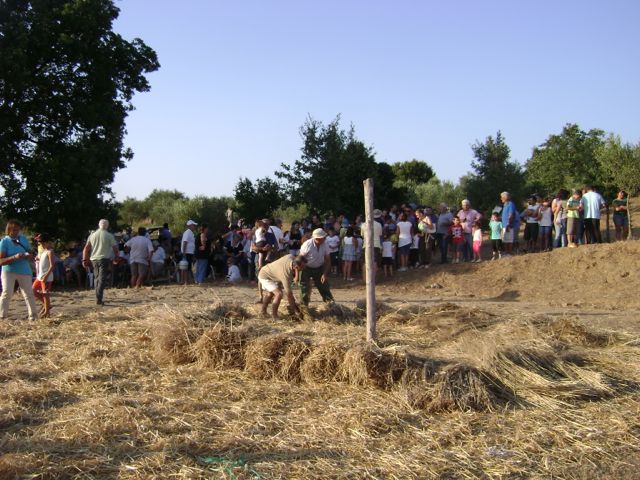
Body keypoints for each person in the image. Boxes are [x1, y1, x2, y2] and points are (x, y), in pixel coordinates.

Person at [0, 219, 38, 320]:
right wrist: (14, 257)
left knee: (28, 293)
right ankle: (2, 316)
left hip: (24, 270)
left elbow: (30, 252)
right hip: (9, 270)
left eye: (18, 230)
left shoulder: (23, 239)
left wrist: (28, 255)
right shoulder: (4, 242)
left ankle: (33, 316)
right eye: (14, 230)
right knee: (7, 293)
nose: (16, 232)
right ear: (9, 230)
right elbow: (1, 260)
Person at [82, 219, 119, 305]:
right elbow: (115, 248)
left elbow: (86, 248)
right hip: (104, 259)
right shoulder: (109, 235)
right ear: (107, 226)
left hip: (94, 259)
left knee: (96, 277)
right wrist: (117, 257)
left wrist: (84, 259)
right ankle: (99, 298)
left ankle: (98, 296)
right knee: (102, 278)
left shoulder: (92, 235)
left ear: (99, 225)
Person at [299, 228, 334, 306]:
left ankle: (331, 306)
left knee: (324, 287)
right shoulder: (307, 244)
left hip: (319, 268)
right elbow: (300, 258)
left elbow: (328, 261)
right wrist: (299, 270)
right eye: (323, 238)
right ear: (317, 238)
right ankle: (303, 308)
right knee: (304, 289)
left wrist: (324, 274)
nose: (325, 239)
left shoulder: (325, 244)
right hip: (306, 268)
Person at [33, 234, 55, 317]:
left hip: (46, 277)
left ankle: (47, 312)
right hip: (40, 276)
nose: (41, 245)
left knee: (45, 294)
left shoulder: (50, 251)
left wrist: (46, 276)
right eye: (40, 243)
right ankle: (47, 305)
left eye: (43, 243)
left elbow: (52, 265)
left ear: (47, 242)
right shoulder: (44, 251)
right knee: (33, 290)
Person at [180, 220, 197, 284]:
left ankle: (185, 281)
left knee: (187, 267)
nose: (194, 226)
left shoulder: (191, 233)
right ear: (190, 226)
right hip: (187, 252)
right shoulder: (187, 233)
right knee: (186, 267)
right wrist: (184, 253)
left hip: (189, 253)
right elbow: (185, 242)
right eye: (193, 225)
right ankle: (185, 281)